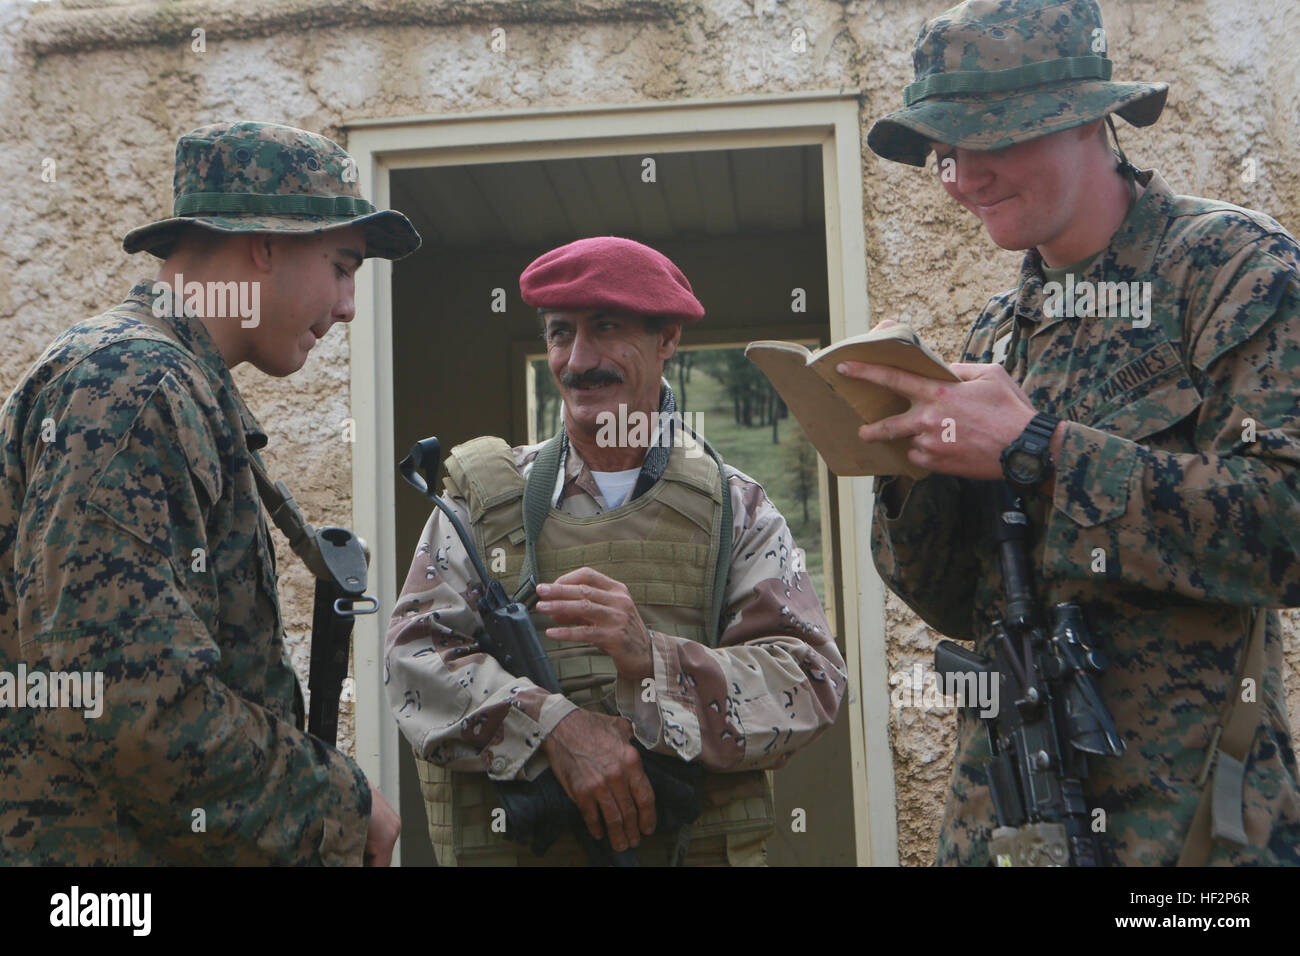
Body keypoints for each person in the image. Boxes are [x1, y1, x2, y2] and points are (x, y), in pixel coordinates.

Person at [850, 0, 1300, 865]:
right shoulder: (994, 334)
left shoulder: (1232, 271)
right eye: (945, 152)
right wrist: (911, 479)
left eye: (990, 141)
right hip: (1010, 819)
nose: (960, 177)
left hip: (1193, 827)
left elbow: (1286, 523)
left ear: (1091, 119)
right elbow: (951, 599)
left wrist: (1039, 451)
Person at [0, 121, 421, 865]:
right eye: (342, 265)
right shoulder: (133, 388)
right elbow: (131, 705)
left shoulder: (163, 384)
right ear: (266, 244)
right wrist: (336, 804)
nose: (350, 304)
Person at [387, 236, 847, 866]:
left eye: (605, 328)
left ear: (668, 340)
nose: (578, 360)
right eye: (558, 333)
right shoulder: (484, 502)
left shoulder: (735, 508)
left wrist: (656, 661)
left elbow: (812, 681)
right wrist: (554, 727)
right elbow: (412, 662)